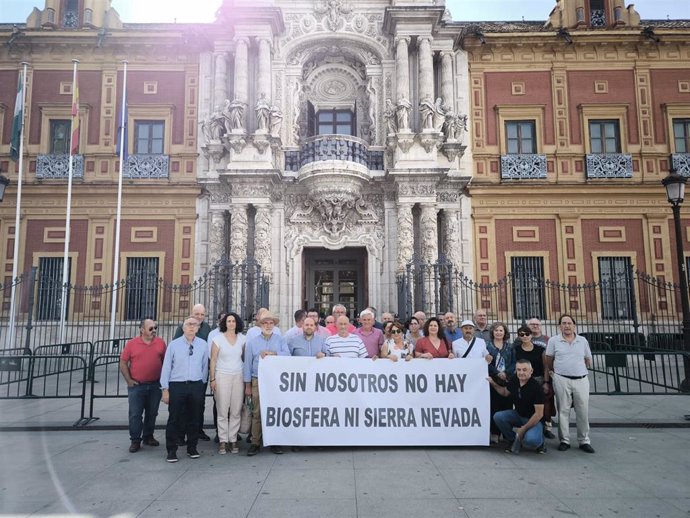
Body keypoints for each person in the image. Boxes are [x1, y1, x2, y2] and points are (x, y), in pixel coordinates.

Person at [161, 316, 209, 463]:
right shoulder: (174, 345)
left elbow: (204, 366)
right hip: (177, 384)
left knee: (194, 417)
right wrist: (165, 388)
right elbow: (167, 367)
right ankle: (171, 450)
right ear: (183, 327)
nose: (191, 327)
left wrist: (202, 383)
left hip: (195, 384)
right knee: (174, 418)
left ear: (198, 328)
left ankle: (192, 447)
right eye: (189, 324)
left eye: (194, 325)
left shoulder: (203, 344)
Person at [545, 314, 595, 454]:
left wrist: (578, 368)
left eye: (569, 323)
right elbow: (549, 359)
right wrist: (555, 373)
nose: (566, 325)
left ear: (574, 325)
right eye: (563, 323)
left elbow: (587, 359)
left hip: (581, 379)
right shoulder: (554, 341)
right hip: (562, 379)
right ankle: (564, 440)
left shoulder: (582, 340)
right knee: (563, 410)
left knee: (582, 410)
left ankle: (584, 440)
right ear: (559, 326)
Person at [243, 311, 289, 456]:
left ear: (274, 325)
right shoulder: (252, 342)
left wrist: (272, 353)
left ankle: (275, 442)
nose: (268, 325)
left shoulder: (280, 340)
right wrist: (248, 385)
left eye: (271, 323)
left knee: (275, 411)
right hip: (257, 379)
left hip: (275, 381)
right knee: (257, 411)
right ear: (260, 325)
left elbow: (287, 355)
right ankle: (255, 442)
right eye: (265, 323)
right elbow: (247, 365)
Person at [119, 318, 167, 453]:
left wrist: (164, 382)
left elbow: (166, 362)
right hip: (137, 385)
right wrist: (128, 380)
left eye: (155, 328)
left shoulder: (160, 343)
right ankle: (135, 440)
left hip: (155, 384)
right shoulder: (132, 344)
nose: (154, 331)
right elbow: (123, 362)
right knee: (135, 414)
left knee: (152, 413)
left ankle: (148, 436)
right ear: (142, 330)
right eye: (151, 328)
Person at [489, 359, 547, 454]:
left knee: (531, 441)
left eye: (524, 370)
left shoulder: (536, 388)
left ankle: (541, 442)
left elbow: (539, 414)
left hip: (533, 419)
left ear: (531, 371)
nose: (521, 373)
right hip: (518, 415)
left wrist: (523, 429)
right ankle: (513, 440)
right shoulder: (514, 380)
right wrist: (493, 383)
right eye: (519, 370)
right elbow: (504, 392)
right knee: (498, 416)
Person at [172, 303, 211, 442]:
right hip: (183, 373)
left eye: (202, 314)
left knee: (199, 404)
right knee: (183, 406)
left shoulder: (207, 328)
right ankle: (181, 434)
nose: (199, 317)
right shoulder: (183, 327)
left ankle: (197, 430)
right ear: (191, 313)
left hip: (200, 373)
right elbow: (174, 348)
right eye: (197, 314)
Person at [210, 312, 246, 455]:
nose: (231, 323)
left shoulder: (243, 339)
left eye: (233, 321)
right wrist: (212, 379)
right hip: (222, 376)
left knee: (236, 410)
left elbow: (245, 357)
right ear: (225, 323)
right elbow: (213, 359)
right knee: (222, 410)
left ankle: (233, 439)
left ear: (237, 323)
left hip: (238, 376)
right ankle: (223, 440)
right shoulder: (217, 339)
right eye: (229, 321)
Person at [515, 324, 555, 439]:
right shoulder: (516, 349)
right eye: (522, 334)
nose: (525, 336)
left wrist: (546, 382)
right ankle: (528, 427)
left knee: (541, 406)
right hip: (523, 381)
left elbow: (545, 367)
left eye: (527, 334)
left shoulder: (540, 350)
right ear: (519, 337)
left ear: (531, 335)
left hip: (538, 380)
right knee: (525, 405)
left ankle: (544, 428)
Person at [486, 322, 516, 443]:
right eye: (496, 330)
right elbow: (485, 362)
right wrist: (497, 372)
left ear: (505, 333)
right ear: (492, 332)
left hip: (507, 379)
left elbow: (514, 362)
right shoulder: (487, 346)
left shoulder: (510, 347)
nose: (498, 333)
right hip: (492, 379)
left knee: (507, 406)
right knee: (494, 406)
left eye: (501, 330)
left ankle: (506, 432)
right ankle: (494, 432)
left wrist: (506, 373)